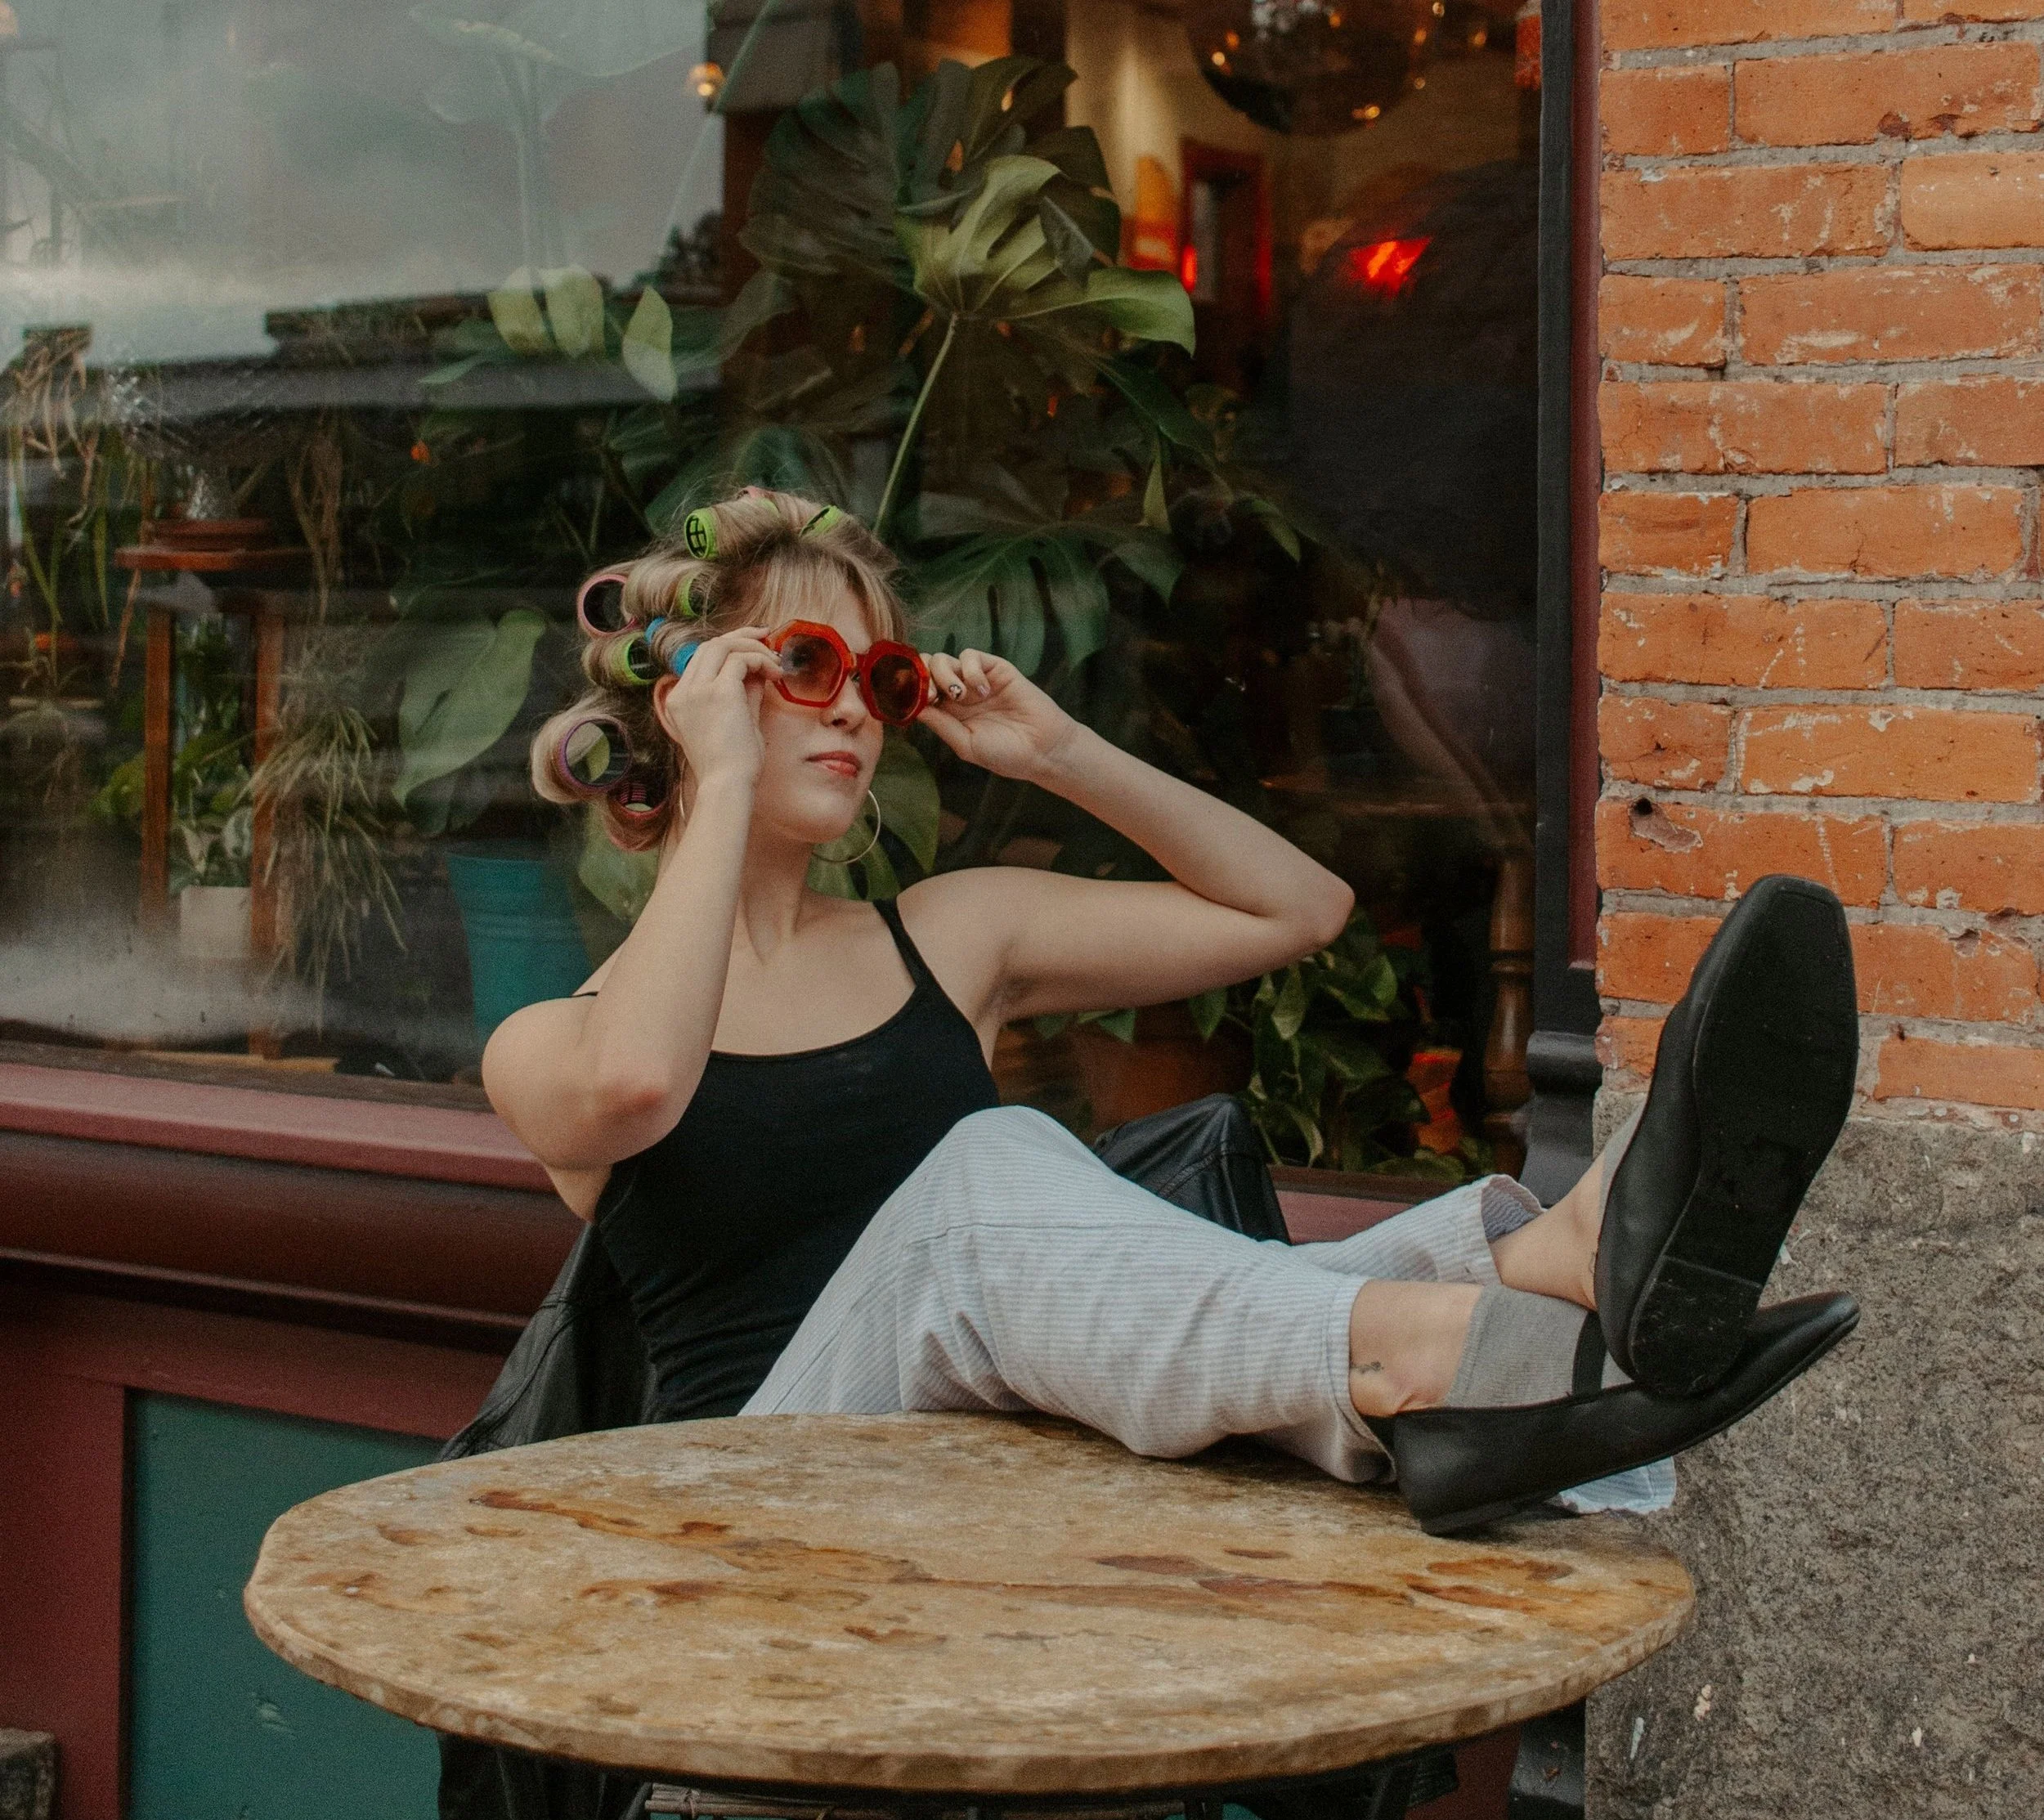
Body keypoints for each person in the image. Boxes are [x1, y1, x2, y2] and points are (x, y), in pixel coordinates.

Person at [485, 487, 1861, 1535]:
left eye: (880, 677)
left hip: (998, 1473)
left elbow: (1295, 913)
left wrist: (1062, 753)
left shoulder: (950, 937)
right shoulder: (553, 1044)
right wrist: (716, 781)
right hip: (762, 1524)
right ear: (697, 697)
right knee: (985, 1173)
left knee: (1024, 1205)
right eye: (803, 667)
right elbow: (637, 1091)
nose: (853, 708)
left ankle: (1551, 1259)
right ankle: (1440, 1343)